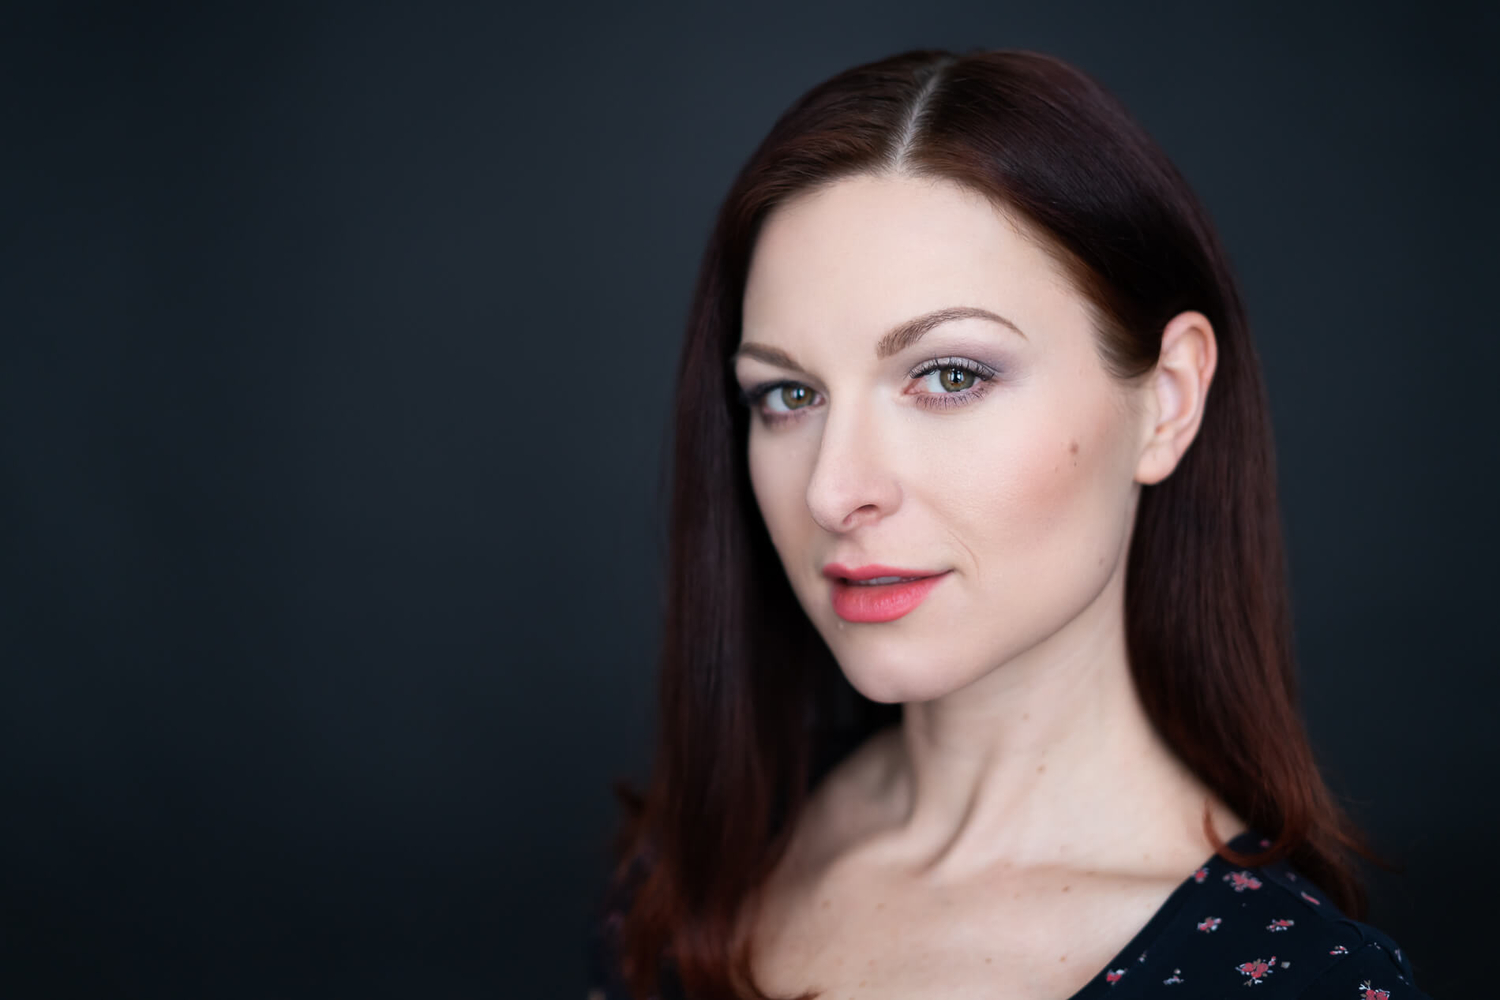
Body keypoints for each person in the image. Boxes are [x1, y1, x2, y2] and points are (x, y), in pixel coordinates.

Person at [585, 47, 1434, 1000]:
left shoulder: (1294, 981)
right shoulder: (697, 857)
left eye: (950, 376)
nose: (833, 490)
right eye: (788, 393)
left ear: (1167, 400)